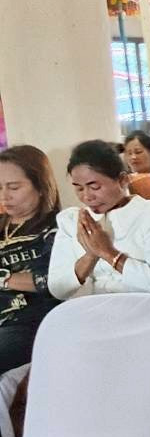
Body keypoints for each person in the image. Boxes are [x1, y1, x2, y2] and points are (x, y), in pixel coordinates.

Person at [49, 140, 150, 301]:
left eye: (94, 187)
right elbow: (58, 289)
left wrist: (108, 253)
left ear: (123, 180)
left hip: (147, 309)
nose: (87, 196)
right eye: (79, 188)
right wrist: (90, 255)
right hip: (97, 313)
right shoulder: (71, 220)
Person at [0, 147, 60, 372]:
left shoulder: (56, 226)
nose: (5, 196)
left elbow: (52, 280)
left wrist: (5, 279)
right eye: (0, 187)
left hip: (31, 323)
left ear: (41, 186)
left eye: (14, 187)